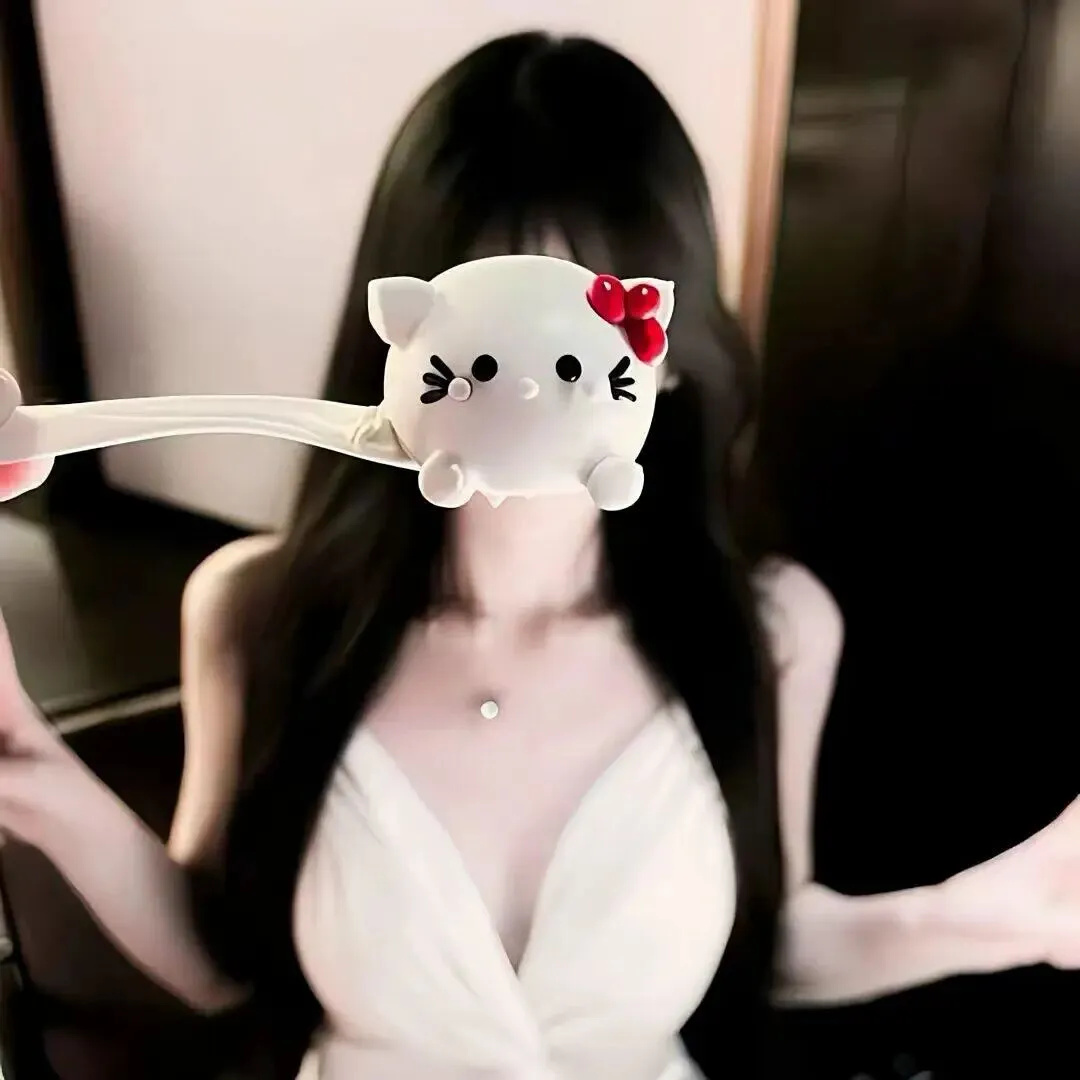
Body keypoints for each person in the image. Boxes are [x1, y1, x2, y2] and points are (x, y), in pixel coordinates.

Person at [0, 30, 1074, 1080]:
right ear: (403, 336)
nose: (527, 388)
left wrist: (994, 917)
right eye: (489, 335)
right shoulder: (257, 611)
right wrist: (31, 770)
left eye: (581, 344)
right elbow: (219, 962)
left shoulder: (774, 628)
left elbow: (769, 939)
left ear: (666, 348)